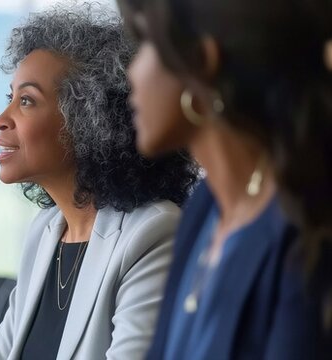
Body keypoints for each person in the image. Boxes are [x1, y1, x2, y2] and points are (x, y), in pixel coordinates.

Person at [117, 0, 332, 357]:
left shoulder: (305, 230)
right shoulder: (205, 205)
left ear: (202, 61)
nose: (131, 72)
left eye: (145, 45)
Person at [0, 4, 198, 359]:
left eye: (27, 101)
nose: (1, 118)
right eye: (11, 98)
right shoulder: (44, 231)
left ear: (88, 120)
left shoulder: (152, 233)